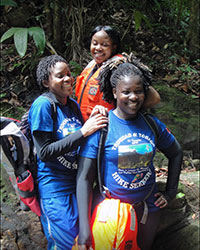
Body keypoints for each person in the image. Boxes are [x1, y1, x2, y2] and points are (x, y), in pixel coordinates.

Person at [76, 53, 183, 250]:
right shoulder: (102, 126)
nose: (133, 97)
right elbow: (84, 178)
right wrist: (84, 230)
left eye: (138, 91)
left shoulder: (152, 125)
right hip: (109, 211)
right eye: (126, 92)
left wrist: (170, 193)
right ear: (115, 93)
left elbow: (176, 153)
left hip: (146, 209)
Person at [28, 55, 108, 250]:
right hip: (55, 190)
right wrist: (84, 131)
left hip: (77, 185)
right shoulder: (43, 106)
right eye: (60, 76)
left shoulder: (71, 105)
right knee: (63, 245)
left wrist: (95, 115)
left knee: (81, 242)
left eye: (69, 74)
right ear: (46, 82)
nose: (67, 79)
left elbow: (81, 140)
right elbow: (45, 152)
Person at [75, 25, 161, 121]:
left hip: (107, 128)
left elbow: (154, 98)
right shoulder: (92, 66)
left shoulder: (118, 67)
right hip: (85, 127)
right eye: (95, 43)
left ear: (114, 47)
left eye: (104, 45)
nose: (98, 48)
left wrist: (122, 116)